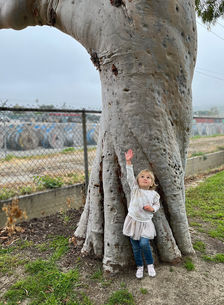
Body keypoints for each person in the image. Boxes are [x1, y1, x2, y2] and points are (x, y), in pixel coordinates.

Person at [123, 149, 160, 279]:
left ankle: (150, 264)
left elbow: (157, 205)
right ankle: (140, 266)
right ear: (138, 181)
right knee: (135, 246)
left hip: (145, 223)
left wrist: (152, 209)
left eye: (148, 177)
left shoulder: (154, 194)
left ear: (152, 182)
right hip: (133, 221)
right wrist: (128, 161)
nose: (145, 179)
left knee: (144, 244)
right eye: (142, 177)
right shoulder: (135, 190)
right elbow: (129, 177)